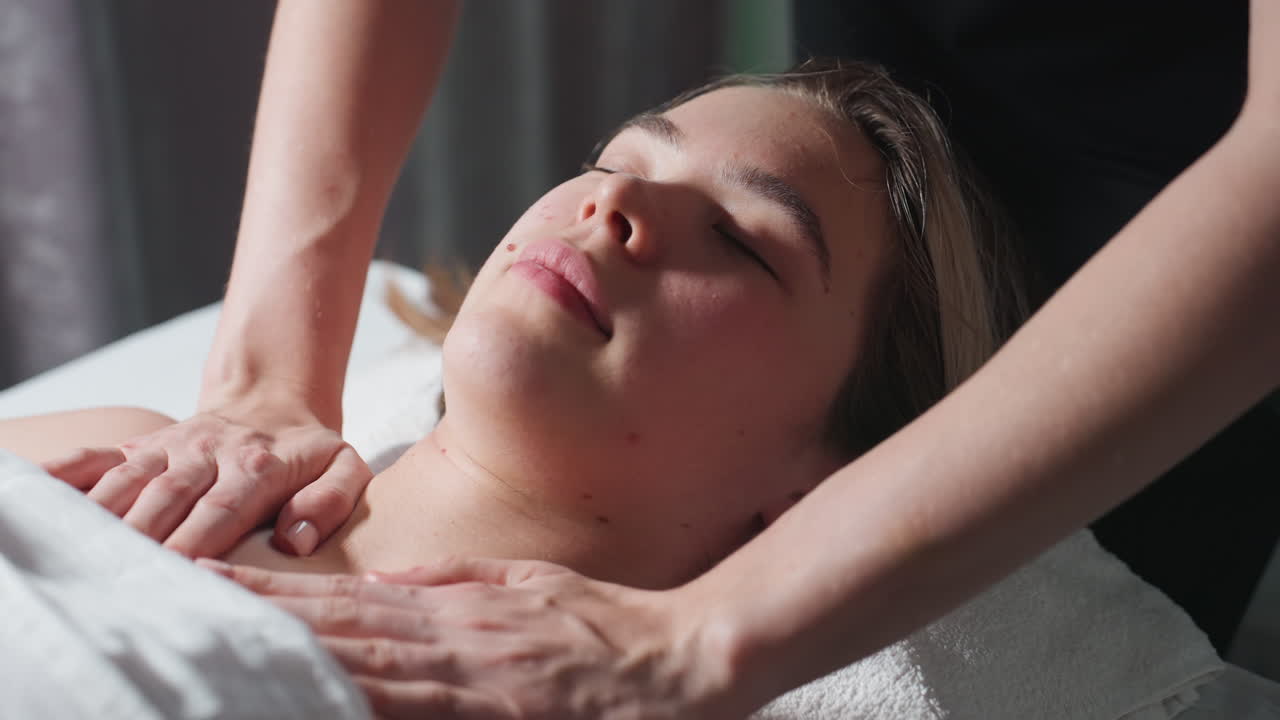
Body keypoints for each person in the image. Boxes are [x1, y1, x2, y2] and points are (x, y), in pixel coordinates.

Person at [17, 1, 1279, 717]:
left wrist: (705, 643)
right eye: (616, 162)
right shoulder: (123, 453)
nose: (608, 211)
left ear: (820, 483)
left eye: (736, 239)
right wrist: (258, 379)